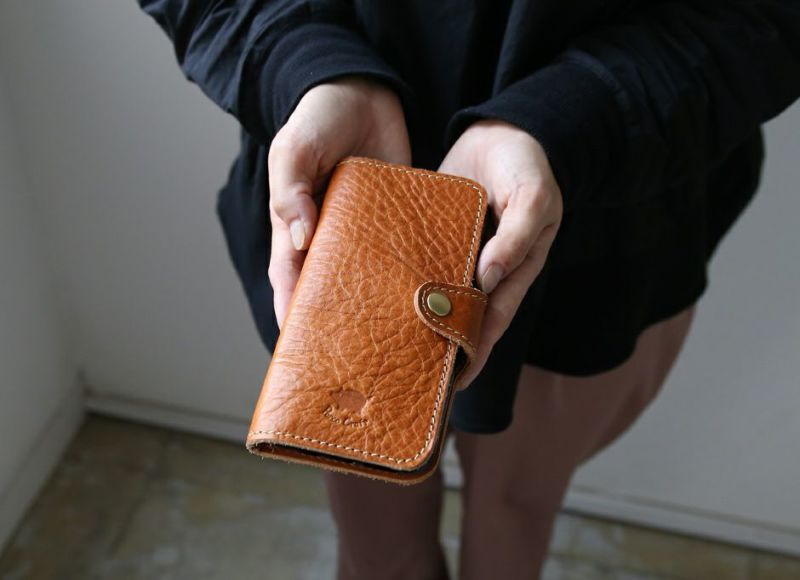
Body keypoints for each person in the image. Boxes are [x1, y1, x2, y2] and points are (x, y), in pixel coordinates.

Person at [138, 1, 800, 578]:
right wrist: (302, 59)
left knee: (515, 518)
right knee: (375, 533)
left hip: (599, 229)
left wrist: (566, 117)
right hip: (344, 218)